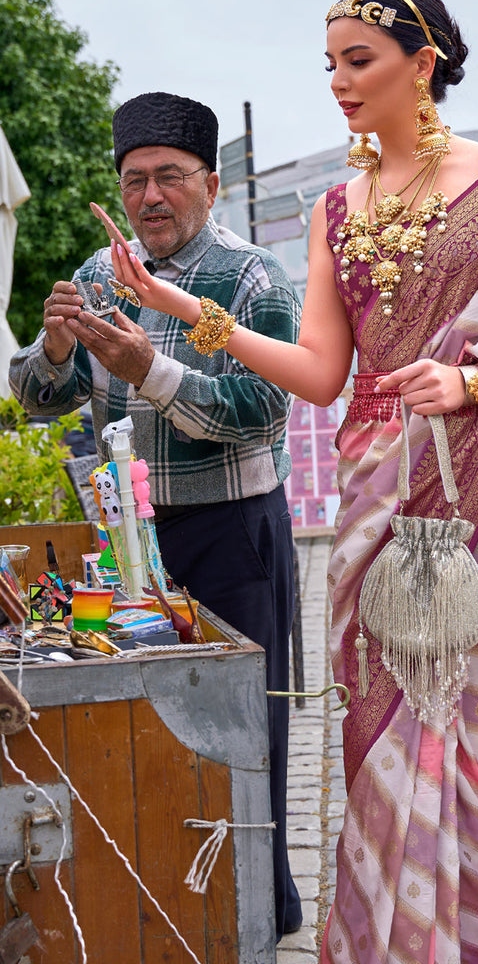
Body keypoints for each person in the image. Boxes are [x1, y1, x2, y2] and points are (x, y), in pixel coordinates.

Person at [107, 0, 478, 963]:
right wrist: (182, 311)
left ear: (423, 62)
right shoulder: (332, 210)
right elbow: (318, 374)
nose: (341, 83)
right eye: (331, 66)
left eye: (359, 61)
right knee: (386, 736)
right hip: (380, 513)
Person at [8, 91, 303, 941]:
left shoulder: (252, 277)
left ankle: (257, 919)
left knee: (246, 731)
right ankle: (164, 912)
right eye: (135, 181)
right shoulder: (103, 273)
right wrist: (56, 349)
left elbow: (263, 407)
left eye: (170, 178)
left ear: (211, 183)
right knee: (142, 728)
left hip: (235, 535)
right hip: (125, 541)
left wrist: (149, 369)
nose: (150, 198)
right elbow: (39, 401)